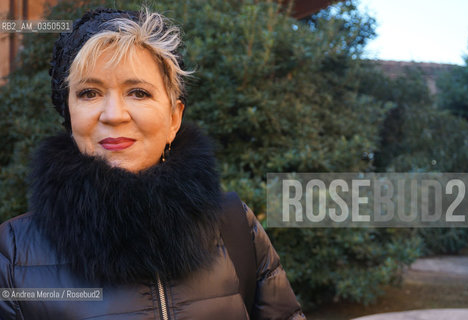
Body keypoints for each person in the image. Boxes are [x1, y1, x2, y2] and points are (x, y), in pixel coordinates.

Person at [0, 7, 305, 320]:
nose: (114, 114)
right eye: (89, 92)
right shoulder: (12, 253)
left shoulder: (235, 227)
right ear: (69, 116)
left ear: (174, 118)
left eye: (138, 92)